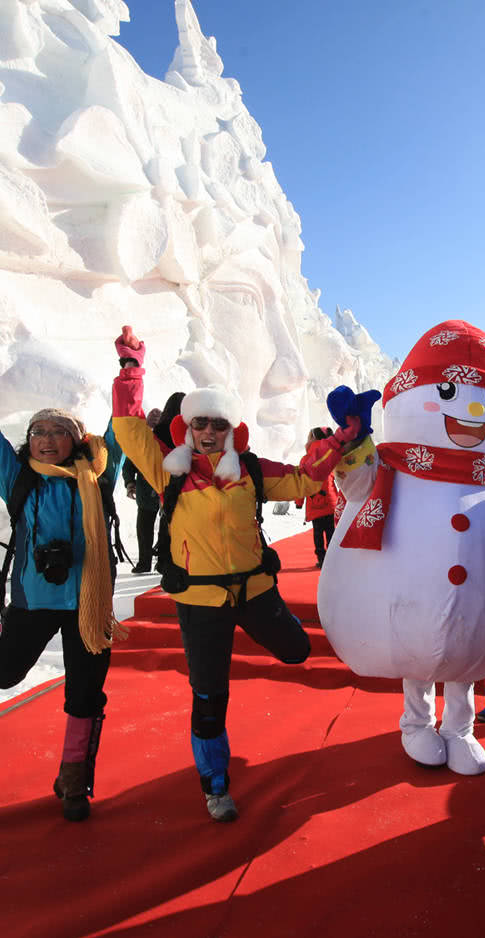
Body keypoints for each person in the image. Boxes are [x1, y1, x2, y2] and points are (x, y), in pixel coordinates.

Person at [110, 327, 354, 822]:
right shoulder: (169, 472)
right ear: (186, 427)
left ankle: (218, 766)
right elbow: (130, 428)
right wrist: (131, 370)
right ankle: (215, 784)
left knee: (297, 651)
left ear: (231, 429)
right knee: (209, 695)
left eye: (217, 424)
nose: (209, 431)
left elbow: (306, 478)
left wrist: (343, 443)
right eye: (200, 422)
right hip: (200, 604)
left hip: (255, 593)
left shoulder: (252, 471)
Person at [0, 344, 123, 823]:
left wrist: (129, 368)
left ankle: (75, 780)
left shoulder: (98, 476)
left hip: (88, 606)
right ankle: (3, 644)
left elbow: (125, 426)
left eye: (59, 431)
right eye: (39, 430)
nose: (46, 438)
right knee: (1, 675)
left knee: (85, 697)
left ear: (76, 441)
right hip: (32, 604)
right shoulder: (18, 478)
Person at [122, 408, 165, 573]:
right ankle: (144, 562)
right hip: (145, 494)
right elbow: (128, 466)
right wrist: (130, 483)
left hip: (162, 493)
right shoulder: (140, 443)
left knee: (164, 531)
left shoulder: (166, 443)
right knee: (144, 531)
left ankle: (162, 561)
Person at [295, 427, 342, 568]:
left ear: (313, 439)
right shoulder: (331, 454)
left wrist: (299, 502)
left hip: (313, 501)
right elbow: (339, 478)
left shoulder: (305, 459)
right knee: (331, 531)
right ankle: (333, 559)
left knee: (318, 533)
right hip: (331, 501)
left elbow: (300, 483)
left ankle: (321, 558)